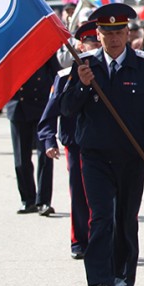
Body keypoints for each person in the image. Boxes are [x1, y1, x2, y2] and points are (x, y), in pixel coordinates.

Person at [59, 3, 144, 286]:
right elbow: (67, 109)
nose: (113, 39)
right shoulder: (85, 65)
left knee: (125, 218)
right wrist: (83, 86)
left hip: (132, 157)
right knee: (101, 217)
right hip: (95, 157)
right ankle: (100, 281)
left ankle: (124, 280)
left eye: (119, 32)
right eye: (107, 33)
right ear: (98, 34)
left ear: (127, 33)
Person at [38, 20, 100, 259]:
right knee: (80, 193)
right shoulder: (65, 77)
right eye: (91, 43)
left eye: (98, 42)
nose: (95, 47)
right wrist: (49, 140)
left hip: (106, 143)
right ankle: (80, 241)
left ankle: (105, 241)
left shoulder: (111, 73)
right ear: (80, 45)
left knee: (106, 196)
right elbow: (49, 114)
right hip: (76, 144)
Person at [7, 56, 62, 216]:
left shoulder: (42, 48)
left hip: (41, 105)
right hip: (18, 106)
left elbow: (57, 74)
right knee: (21, 159)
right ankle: (28, 200)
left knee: (45, 155)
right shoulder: (9, 49)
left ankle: (43, 201)